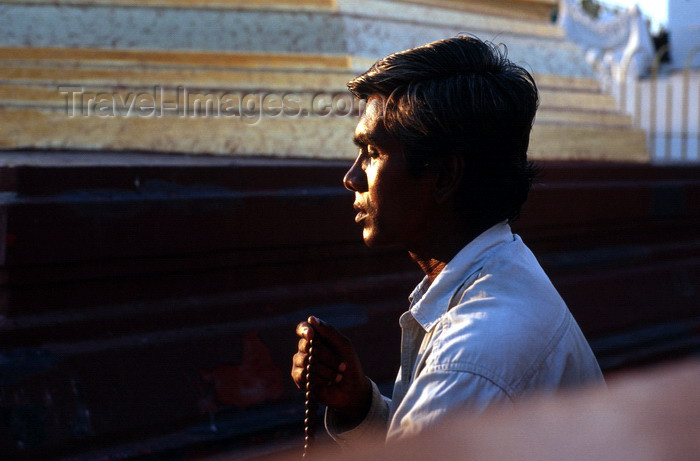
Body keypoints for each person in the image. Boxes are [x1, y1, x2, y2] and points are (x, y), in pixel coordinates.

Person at [291, 35, 604, 449]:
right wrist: (360, 406)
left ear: (442, 176)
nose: (352, 177)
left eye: (372, 151)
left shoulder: (470, 359)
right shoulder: (501, 271)